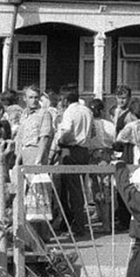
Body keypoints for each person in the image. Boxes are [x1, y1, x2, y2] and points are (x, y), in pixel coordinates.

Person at [51, 84, 93, 233]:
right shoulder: (87, 110)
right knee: (78, 188)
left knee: (71, 189)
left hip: (71, 150)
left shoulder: (70, 112)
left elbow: (67, 131)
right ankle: (74, 221)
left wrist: (60, 141)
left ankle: (77, 224)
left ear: (66, 100)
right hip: (84, 150)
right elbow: (92, 132)